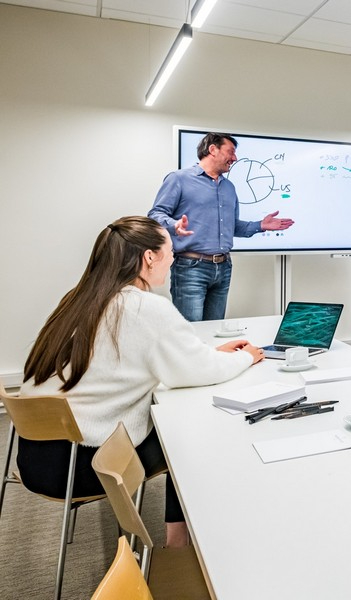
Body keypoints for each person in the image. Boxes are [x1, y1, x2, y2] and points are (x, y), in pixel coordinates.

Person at [18, 216, 265, 547]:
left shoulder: (78, 299)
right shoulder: (144, 307)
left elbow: (134, 360)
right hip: (85, 465)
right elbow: (201, 371)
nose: (174, 258)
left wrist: (201, 353)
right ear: (149, 257)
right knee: (186, 435)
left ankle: (180, 540)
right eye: (170, 251)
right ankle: (179, 545)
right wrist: (247, 356)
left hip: (35, 457)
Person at [148, 132, 295, 322]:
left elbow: (233, 227)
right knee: (191, 332)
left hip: (224, 268)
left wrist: (261, 225)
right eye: (231, 152)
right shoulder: (179, 179)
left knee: (215, 329)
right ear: (212, 150)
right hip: (190, 268)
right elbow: (155, 214)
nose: (235, 158)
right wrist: (173, 225)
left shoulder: (229, 188)